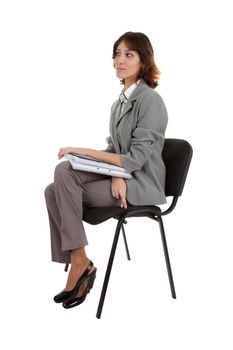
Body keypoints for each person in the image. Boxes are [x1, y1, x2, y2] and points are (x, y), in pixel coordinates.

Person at [44, 31, 168, 309]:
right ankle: (80, 260)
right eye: (117, 53)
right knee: (56, 185)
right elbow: (116, 149)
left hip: (141, 183)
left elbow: (135, 158)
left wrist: (86, 152)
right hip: (124, 175)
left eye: (129, 54)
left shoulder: (150, 101)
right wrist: (114, 172)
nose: (119, 60)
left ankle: (80, 265)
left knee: (60, 187)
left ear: (143, 61)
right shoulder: (119, 102)